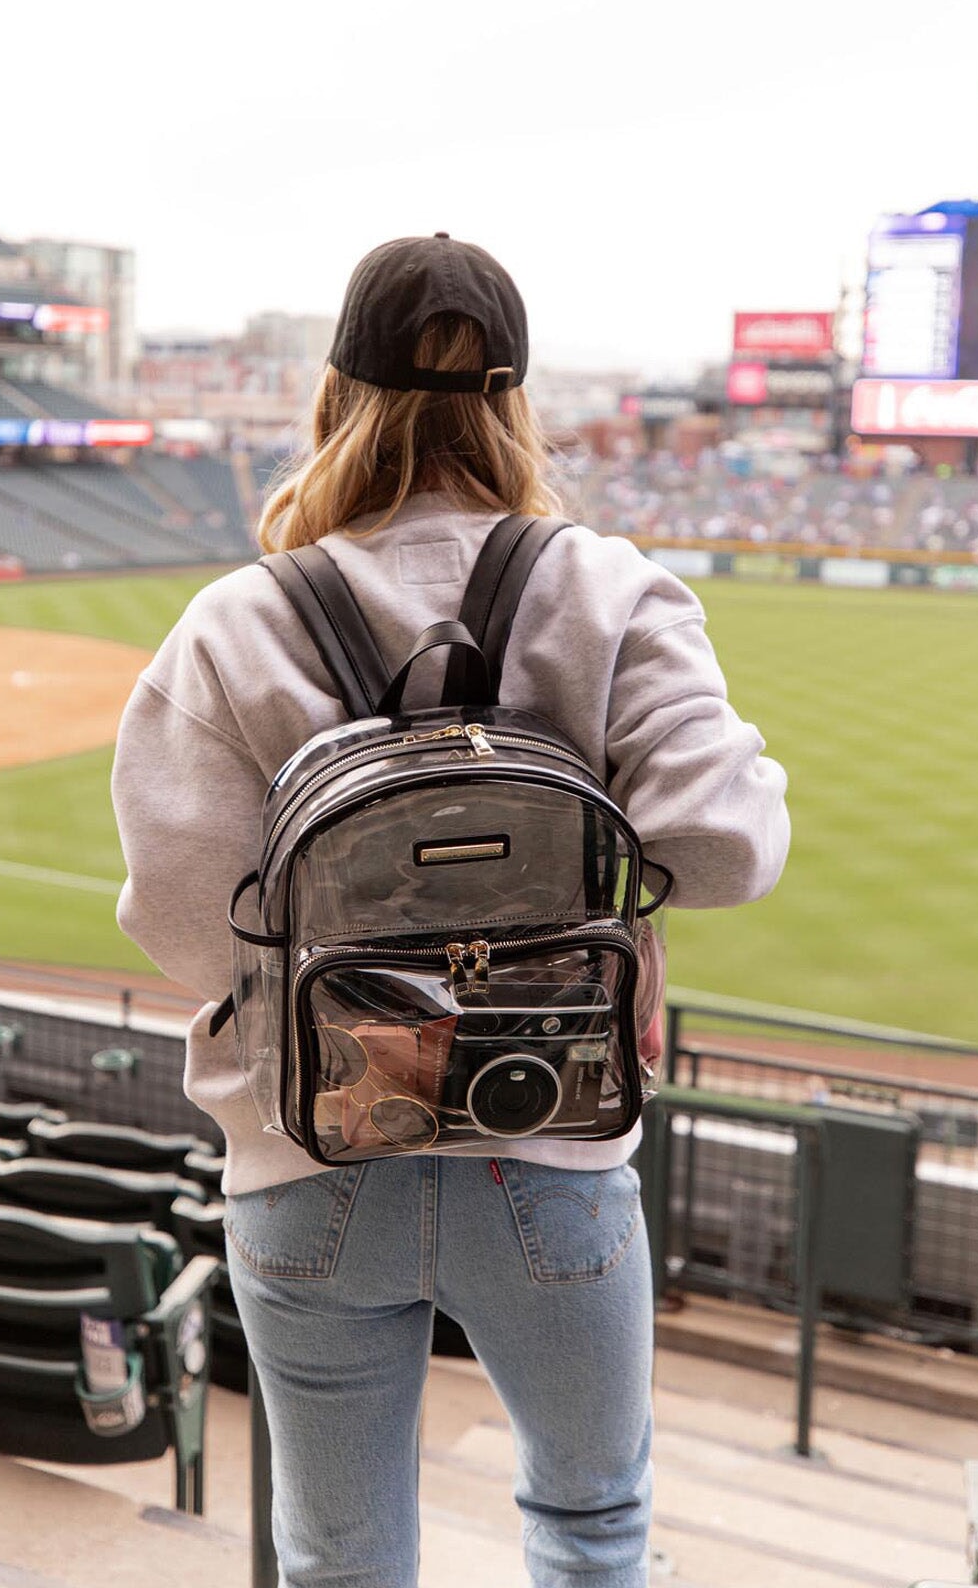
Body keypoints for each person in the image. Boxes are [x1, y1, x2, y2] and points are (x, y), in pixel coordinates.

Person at [111, 233, 791, 1588]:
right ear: (515, 400)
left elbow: (177, 919)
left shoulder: (233, 622)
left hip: (309, 1159)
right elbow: (727, 847)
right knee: (591, 1528)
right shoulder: (607, 587)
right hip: (551, 1146)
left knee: (338, 1563)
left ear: (335, 397)